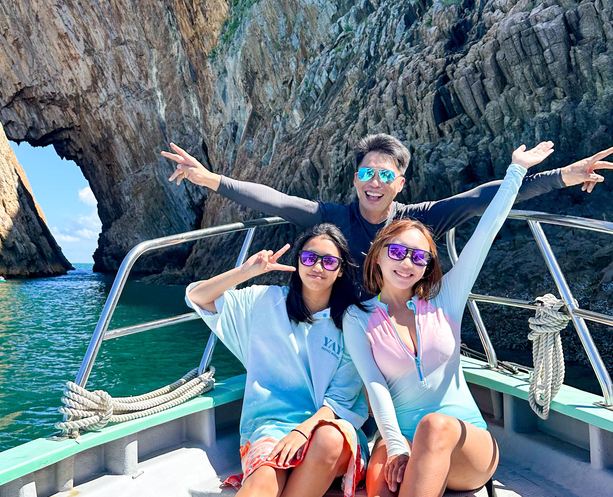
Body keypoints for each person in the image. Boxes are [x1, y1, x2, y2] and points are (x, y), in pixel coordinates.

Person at [340, 142, 555, 497]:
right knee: (378, 486)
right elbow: (375, 387)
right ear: (378, 256)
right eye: (396, 252)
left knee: (434, 426)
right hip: (400, 437)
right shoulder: (358, 317)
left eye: (418, 257)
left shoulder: (445, 300)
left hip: (464, 442)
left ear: (427, 266)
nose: (406, 262)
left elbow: (486, 232)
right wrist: (395, 446)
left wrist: (516, 170)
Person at [162, 136, 613, 297]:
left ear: (400, 182)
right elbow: (276, 201)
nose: (373, 182)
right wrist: (209, 179)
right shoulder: (333, 216)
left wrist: (563, 176)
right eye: (365, 172)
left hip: (401, 328)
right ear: (355, 178)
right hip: (346, 325)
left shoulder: (420, 219)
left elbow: (484, 197)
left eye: (385, 174)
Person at [185, 223, 370, 497]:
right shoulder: (264, 301)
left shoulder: (352, 322)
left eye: (329, 261)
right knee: (262, 482)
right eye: (309, 258)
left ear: (341, 269)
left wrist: (302, 432)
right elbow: (198, 298)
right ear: (298, 261)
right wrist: (245, 273)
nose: (317, 267)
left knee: (327, 439)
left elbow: (340, 402)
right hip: (270, 426)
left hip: (328, 429)